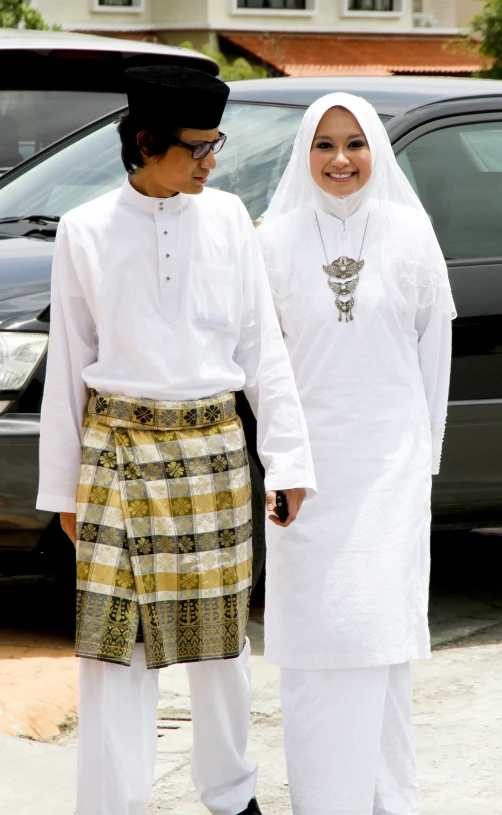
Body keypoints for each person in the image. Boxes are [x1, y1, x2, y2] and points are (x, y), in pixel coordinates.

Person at [36, 65, 316, 815]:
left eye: (215, 145)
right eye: (199, 146)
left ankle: (231, 796)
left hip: (214, 454)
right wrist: (62, 492)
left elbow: (264, 349)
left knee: (221, 648)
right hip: (116, 461)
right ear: (145, 142)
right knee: (115, 650)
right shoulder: (83, 230)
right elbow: (68, 365)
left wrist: (286, 459)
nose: (211, 161)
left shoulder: (228, 219)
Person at [258, 93, 456, 815]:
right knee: (317, 642)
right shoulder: (273, 241)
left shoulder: (409, 232)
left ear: (375, 148)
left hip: (390, 467)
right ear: (305, 154)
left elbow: (434, 352)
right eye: (324, 145)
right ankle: (323, 801)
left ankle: (387, 799)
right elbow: (264, 365)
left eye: (354, 143)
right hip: (306, 473)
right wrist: (282, 462)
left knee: (380, 637)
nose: (340, 160)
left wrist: (421, 456)